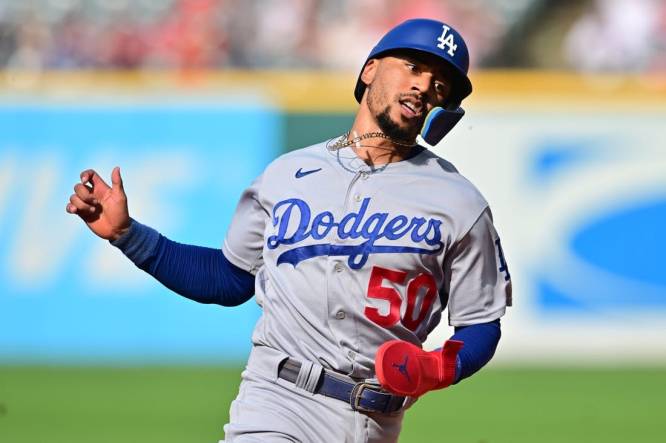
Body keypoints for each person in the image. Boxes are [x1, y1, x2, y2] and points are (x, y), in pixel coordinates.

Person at [66, 18, 511, 443]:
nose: (422, 86)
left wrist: (437, 368)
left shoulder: (459, 202)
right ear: (370, 69)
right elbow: (228, 278)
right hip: (278, 397)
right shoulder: (289, 173)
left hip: (377, 419)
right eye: (413, 67)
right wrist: (128, 234)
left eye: (439, 85)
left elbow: (480, 324)